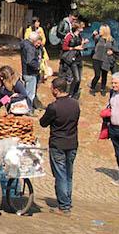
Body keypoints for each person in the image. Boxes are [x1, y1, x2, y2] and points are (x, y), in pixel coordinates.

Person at [39, 77, 80, 215]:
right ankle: (67, 201)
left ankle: (64, 206)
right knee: (68, 173)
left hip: (58, 144)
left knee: (60, 175)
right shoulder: (75, 104)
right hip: (72, 143)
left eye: (51, 88)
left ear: (56, 90)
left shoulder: (54, 107)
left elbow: (43, 123)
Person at [61, 22, 88, 99]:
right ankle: (70, 93)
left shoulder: (79, 36)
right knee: (76, 78)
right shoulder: (69, 36)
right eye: (81, 27)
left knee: (79, 80)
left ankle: (75, 94)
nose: (83, 28)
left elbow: (80, 47)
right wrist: (74, 48)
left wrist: (83, 43)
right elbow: (64, 47)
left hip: (79, 58)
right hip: (72, 59)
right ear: (77, 28)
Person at [20, 32, 43, 113]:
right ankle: (28, 109)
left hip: (27, 72)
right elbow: (30, 61)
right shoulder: (30, 48)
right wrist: (38, 67)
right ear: (33, 40)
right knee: (30, 93)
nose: (38, 45)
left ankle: (31, 106)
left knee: (29, 91)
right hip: (30, 73)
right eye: (38, 43)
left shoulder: (26, 45)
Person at [91, 24, 117, 95]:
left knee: (104, 75)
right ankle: (92, 88)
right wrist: (93, 35)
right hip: (96, 59)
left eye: (100, 30)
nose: (99, 31)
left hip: (106, 59)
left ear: (105, 31)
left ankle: (103, 89)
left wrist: (112, 51)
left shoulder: (111, 39)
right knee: (97, 75)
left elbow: (116, 49)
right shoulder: (98, 38)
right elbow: (93, 38)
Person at [24, 16, 50, 83]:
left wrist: (41, 43)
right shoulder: (28, 30)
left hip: (40, 47)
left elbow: (44, 39)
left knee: (43, 60)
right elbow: (26, 39)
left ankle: (44, 74)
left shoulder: (40, 29)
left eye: (39, 22)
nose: (38, 23)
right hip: (33, 48)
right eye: (37, 22)